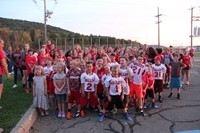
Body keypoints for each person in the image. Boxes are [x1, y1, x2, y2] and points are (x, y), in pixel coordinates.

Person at [0, 38, 10, 133]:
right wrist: (7, 74)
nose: (3, 45)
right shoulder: (0, 52)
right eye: (2, 44)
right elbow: (3, 64)